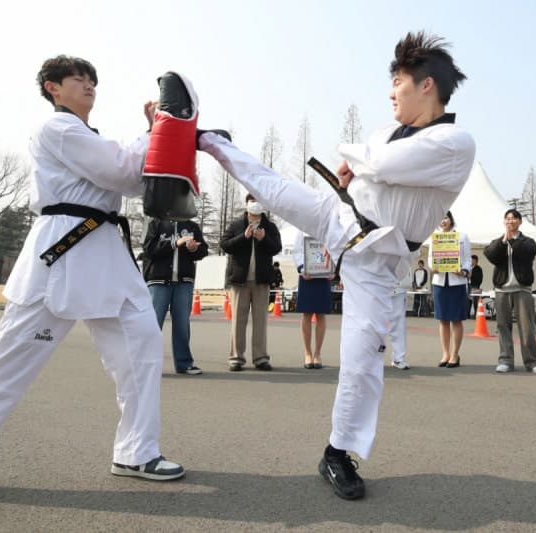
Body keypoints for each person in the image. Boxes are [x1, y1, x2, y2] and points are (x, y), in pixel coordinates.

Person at [199, 31, 475, 499]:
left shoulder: (455, 141)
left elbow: (384, 164)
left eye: (399, 83)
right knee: (272, 189)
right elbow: (375, 165)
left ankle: (336, 454)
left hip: (376, 259)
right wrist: (354, 172)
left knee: (363, 357)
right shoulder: (385, 131)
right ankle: (208, 141)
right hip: (338, 217)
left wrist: (358, 163)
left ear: (427, 85)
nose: (391, 93)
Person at [0, 55, 184, 507]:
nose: (90, 85)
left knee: (141, 349)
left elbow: (136, 182)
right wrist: (153, 130)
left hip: (107, 253)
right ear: (53, 87)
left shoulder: (91, 137)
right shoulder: (58, 129)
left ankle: (137, 452)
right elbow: (120, 170)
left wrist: (165, 136)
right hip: (63, 250)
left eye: (93, 79)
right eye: (78, 79)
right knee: (8, 365)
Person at [220, 194, 282, 371]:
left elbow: (276, 247)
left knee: (260, 321)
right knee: (237, 321)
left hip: (261, 280)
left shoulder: (269, 227)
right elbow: (225, 245)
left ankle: (260, 357)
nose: (255, 204)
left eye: (259, 201)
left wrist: (264, 239)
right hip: (239, 280)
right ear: (247, 204)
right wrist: (243, 237)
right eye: (252, 201)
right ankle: (236, 358)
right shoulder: (236, 224)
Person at [483, 209, 536, 375]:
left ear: (519, 222)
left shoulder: (528, 242)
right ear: (504, 222)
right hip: (502, 289)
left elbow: (527, 254)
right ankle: (505, 360)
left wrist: (513, 241)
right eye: (507, 219)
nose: (510, 221)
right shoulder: (499, 241)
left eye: (513, 219)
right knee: (503, 326)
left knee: (527, 327)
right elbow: (491, 255)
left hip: (522, 289)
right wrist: (504, 241)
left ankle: (532, 362)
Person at [142, 217, 208, 375]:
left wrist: (194, 249)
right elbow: (149, 249)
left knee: (182, 324)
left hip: (184, 281)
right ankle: (146, 363)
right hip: (158, 280)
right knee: (153, 324)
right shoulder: (156, 223)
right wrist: (173, 243)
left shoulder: (192, 226)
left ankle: (184, 363)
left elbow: (203, 250)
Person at [429, 211, 472, 368]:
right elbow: (430, 259)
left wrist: (463, 271)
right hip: (440, 282)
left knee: (456, 320)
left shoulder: (462, 237)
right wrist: (432, 268)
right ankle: (445, 353)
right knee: (443, 320)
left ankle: (455, 354)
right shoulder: (435, 237)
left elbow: (467, 258)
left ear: (451, 219)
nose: (443, 221)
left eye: (445, 217)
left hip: (457, 282)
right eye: (440, 218)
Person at [293, 230, 333, 369]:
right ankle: (308, 353)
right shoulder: (301, 227)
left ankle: (317, 353)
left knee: (321, 314)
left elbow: (336, 248)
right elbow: (297, 250)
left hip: (324, 274)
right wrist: (302, 268)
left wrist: (334, 268)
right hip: (307, 274)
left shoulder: (329, 226)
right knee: (307, 313)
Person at [389, 271, 412, 370]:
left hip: (399, 287)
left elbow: (413, 255)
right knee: (373, 324)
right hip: (376, 286)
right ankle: (370, 359)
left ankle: (398, 358)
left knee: (398, 325)